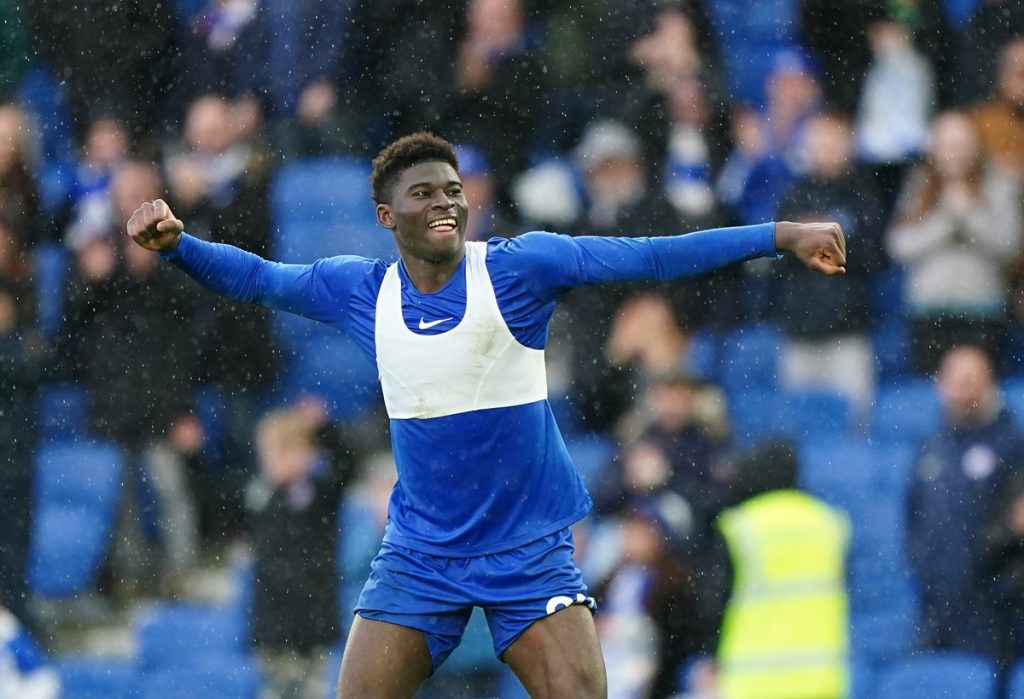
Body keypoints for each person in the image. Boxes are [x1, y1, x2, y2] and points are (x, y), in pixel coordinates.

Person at [126, 131, 847, 698]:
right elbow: (258, 279)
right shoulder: (360, 291)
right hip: (420, 554)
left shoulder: (516, 268)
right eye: (423, 192)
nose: (445, 201)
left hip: (526, 551)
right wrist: (178, 247)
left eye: (453, 189)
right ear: (386, 215)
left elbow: (650, 257)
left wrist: (779, 234)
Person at [907, 344, 1024, 660]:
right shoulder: (931, 446)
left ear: (990, 382)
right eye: (956, 378)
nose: (963, 387)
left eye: (972, 378)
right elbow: (913, 518)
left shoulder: (1011, 445)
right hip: (935, 609)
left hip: (991, 611)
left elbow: (1015, 524)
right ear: (940, 383)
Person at [246, 406, 355, 699]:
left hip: (313, 620)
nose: (275, 460)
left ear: (306, 454)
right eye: (268, 452)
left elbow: (347, 464)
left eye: (285, 451)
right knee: (276, 690)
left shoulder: (319, 496)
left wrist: (325, 430)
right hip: (273, 623)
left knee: (311, 692)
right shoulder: (257, 497)